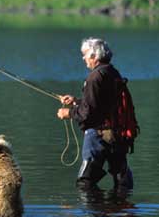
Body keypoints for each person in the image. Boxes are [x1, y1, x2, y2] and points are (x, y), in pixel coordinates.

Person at [57, 37, 133, 191]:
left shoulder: (94, 77)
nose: (83, 58)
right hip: (118, 134)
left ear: (94, 56)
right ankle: (119, 211)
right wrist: (77, 101)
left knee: (85, 183)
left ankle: (94, 214)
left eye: (85, 54)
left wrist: (68, 113)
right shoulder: (111, 72)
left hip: (98, 136)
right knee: (121, 180)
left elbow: (88, 114)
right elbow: (102, 104)